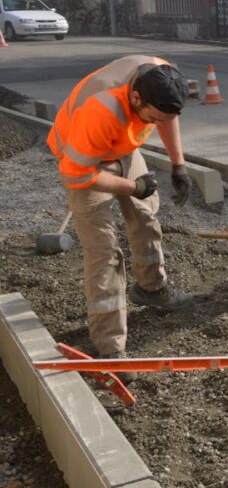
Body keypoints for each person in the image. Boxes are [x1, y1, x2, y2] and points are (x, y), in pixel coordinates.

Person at [47, 55, 195, 367]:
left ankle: (151, 288)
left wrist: (178, 166)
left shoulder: (161, 78)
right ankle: (110, 347)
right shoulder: (101, 109)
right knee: (104, 251)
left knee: (145, 216)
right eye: (152, 119)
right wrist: (131, 187)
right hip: (84, 160)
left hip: (121, 148)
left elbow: (168, 116)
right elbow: (76, 174)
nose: (156, 125)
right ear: (136, 97)